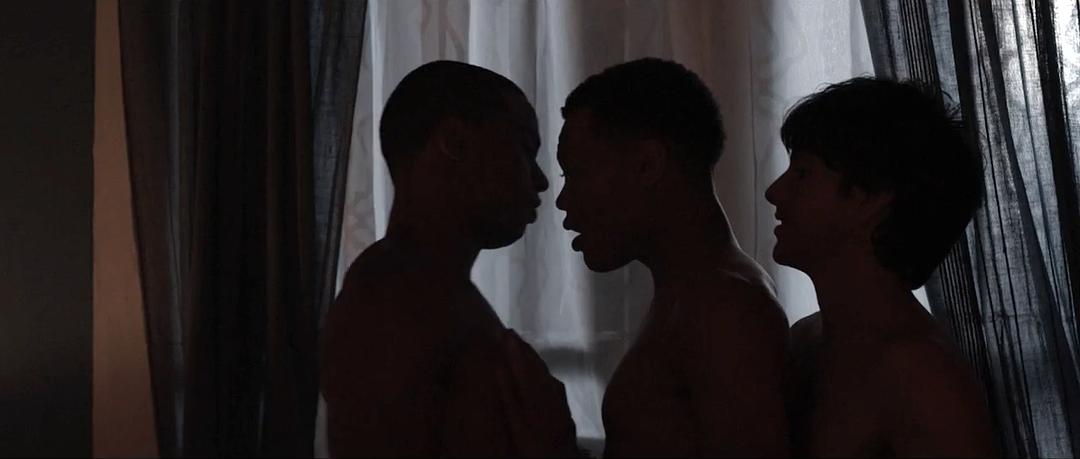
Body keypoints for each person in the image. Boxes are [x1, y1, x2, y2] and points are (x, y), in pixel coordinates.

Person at [320, 61, 578, 457]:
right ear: (455, 141)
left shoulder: (433, 292)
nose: (540, 180)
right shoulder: (393, 304)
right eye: (525, 149)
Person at [555, 58, 790, 457]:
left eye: (575, 174)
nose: (563, 200)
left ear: (648, 164)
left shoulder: (725, 309)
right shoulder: (695, 295)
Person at [767, 77, 997, 456]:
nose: (774, 191)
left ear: (870, 200)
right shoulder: (805, 339)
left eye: (803, 173)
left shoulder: (926, 382)